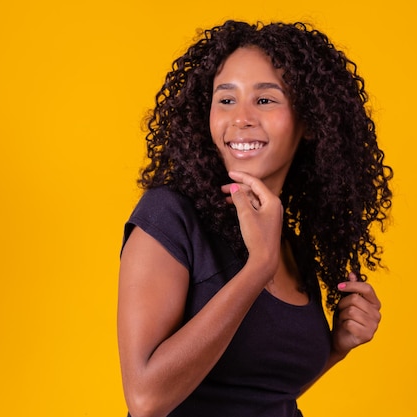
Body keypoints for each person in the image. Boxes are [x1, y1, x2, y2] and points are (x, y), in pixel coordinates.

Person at [117, 20, 393, 417]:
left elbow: (259, 393)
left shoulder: (287, 239)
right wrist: (257, 268)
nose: (241, 117)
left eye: (265, 100)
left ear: (311, 121)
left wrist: (335, 348)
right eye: (226, 100)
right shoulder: (171, 217)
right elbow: (146, 399)